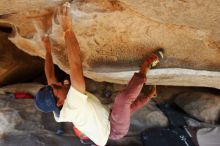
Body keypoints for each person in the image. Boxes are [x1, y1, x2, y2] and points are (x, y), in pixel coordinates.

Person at [35, 3, 164, 146]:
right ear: (59, 102)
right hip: (115, 130)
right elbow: (76, 65)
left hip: (106, 117)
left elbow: (50, 75)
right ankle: (146, 67)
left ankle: (149, 96)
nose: (59, 83)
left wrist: (47, 48)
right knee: (122, 100)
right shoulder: (73, 107)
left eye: (55, 85)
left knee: (126, 107)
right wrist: (67, 29)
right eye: (57, 88)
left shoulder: (55, 104)